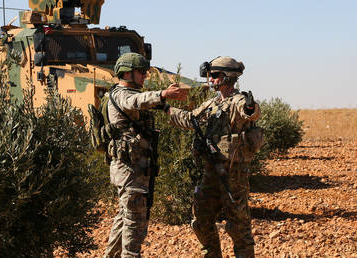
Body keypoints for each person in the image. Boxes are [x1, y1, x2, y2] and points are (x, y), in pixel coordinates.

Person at [167, 56, 262, 258]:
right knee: (200, 218)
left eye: (215, 76)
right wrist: (166, 108)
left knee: (238, 226)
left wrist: (251, 107)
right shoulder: (213, 103)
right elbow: (189, 119)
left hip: (233, 174)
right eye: (210, 76)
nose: (211, 80)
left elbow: (250, 112)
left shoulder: (238, 100)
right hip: (211, 172)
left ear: (227, 76)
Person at [104, 52, 188, 258]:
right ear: (127, 74)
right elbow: (137, 101)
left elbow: (143, 101)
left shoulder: (125, 94)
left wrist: (166, 103)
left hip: (132, 172)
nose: (145, 76)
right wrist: (162, 94)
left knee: (125, 218)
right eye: (141, 72)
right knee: (135, 224)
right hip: (129, 172)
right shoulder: (122, 95)